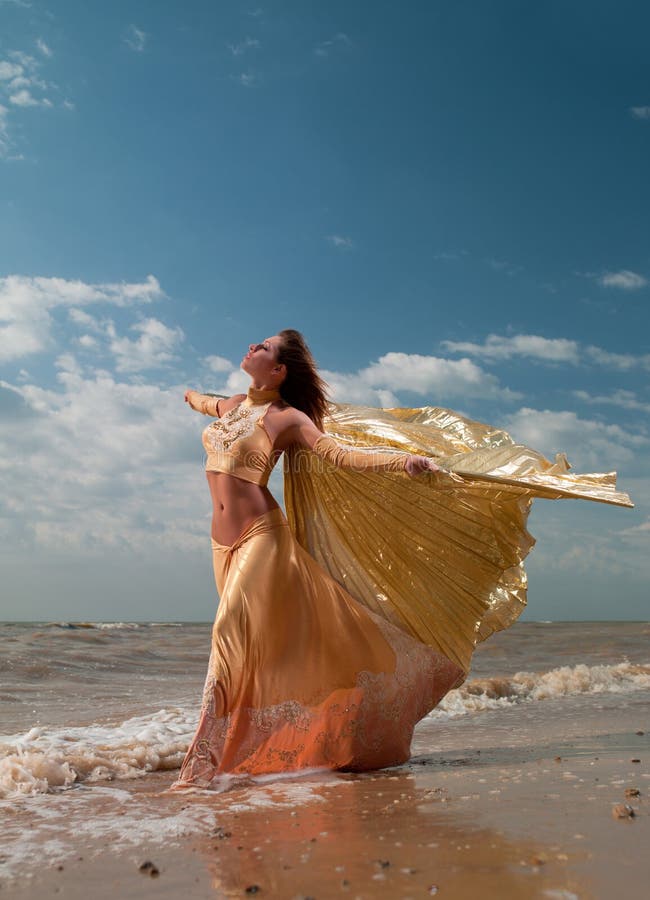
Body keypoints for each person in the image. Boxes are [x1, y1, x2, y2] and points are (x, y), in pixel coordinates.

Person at [172, 329, 632, 789]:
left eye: (265, 347)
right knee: (260, 649)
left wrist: (401, 462)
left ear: (278, 370)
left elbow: (341, 454)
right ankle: (282, 747)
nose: (253, 346)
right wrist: (187, 394)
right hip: (221, 546)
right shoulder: (231, 405)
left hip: (260, 538)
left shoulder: (288, 418)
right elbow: (202, 401)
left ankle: (201, 768)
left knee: (227, 634)